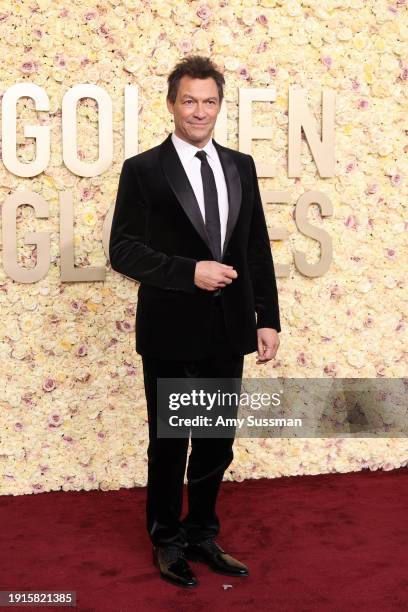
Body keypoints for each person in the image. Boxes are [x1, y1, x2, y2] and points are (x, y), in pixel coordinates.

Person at [109, 55, 281, 588]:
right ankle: (166, 540)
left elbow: (255, 247)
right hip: (169, 330)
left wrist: (267, 318)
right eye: (189, 100)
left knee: (215, 442)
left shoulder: (241, 165)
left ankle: (203, 533)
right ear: (172, 104)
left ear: (219, 105)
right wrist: (190, 272)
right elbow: (123, 250)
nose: (199, 111)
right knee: (170, 442)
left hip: (229, 329)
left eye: (209, 101)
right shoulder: (142, 170)